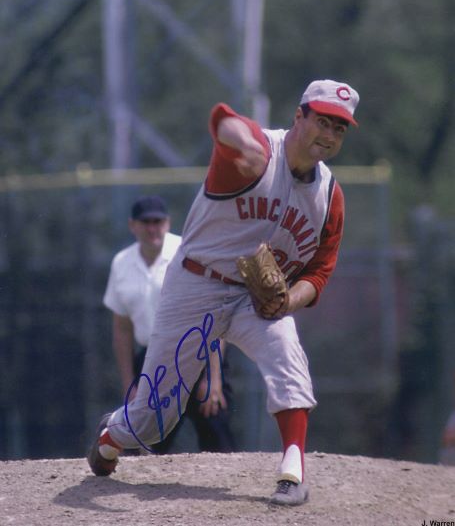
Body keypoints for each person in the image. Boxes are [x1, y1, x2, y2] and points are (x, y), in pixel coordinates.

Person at [88, 79, 360, 506]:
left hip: (254, 301)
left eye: (339, 129)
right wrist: (240, 142)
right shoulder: (256, 155)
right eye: (322, 121)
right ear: (298, 116)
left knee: (286, 353)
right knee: (154, 420)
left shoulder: (329, 196)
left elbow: (321, 270)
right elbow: (223, 120)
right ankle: (111, 436)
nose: (328, 135)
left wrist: (289, 300)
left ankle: (293, 471)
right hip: (197, 283)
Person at [103, 194, 235, 454]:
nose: (152, 228)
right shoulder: (121, 263)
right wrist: (130, 382)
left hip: (197, 355)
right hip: (153, 361)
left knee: (217, 436)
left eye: (158, 221)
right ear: (133, 226)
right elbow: (122, 328)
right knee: (144, 445)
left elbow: (214, 313)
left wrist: (213, 377)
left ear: (168, 223)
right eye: (146, 222)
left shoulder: (187, 253)